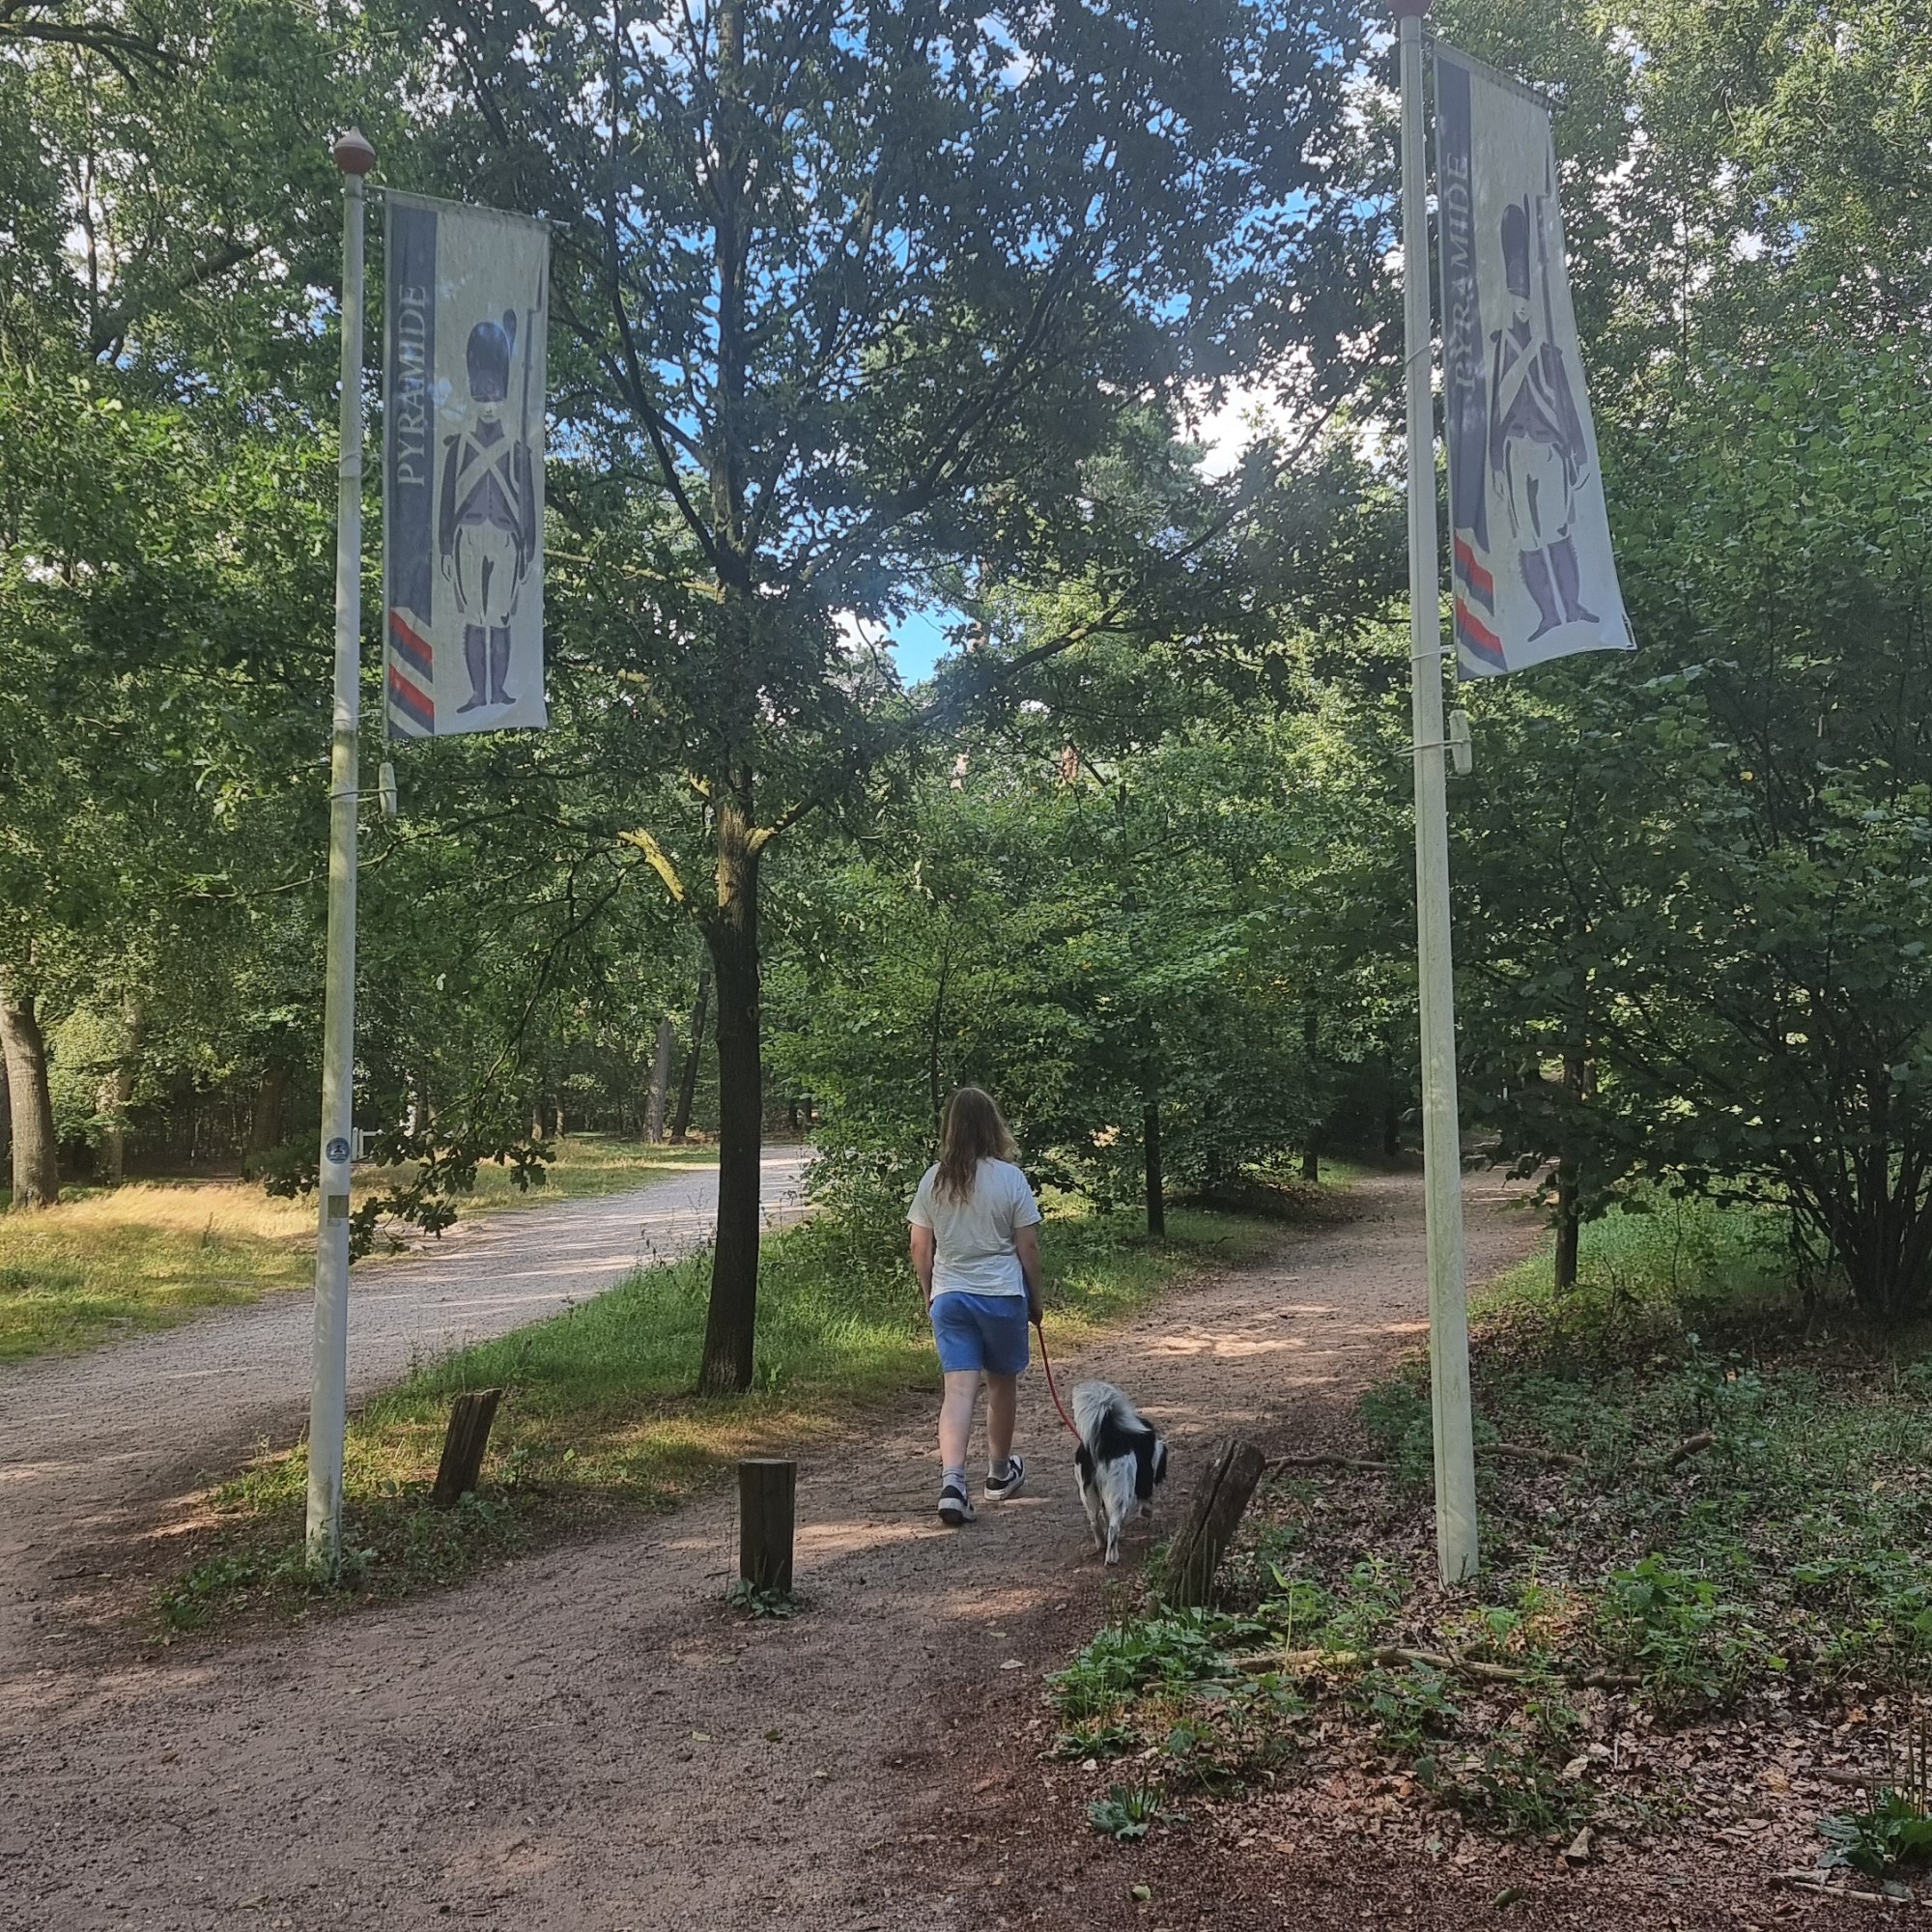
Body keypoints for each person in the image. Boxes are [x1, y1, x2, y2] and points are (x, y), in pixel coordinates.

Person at [909, 1087, 1044, 1527]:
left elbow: (919, 1245)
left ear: (950, 1128)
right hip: (1002, 1295)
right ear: (993, 1127)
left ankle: (953, 1483)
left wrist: (930, 1291)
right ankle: (999, 1474)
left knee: (959, 1391)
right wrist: (1035, 1300)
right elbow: (1028, 1246)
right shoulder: (1010, 1178)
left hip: (951, 1296)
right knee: (1001, 1384)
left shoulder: (934, 1179)